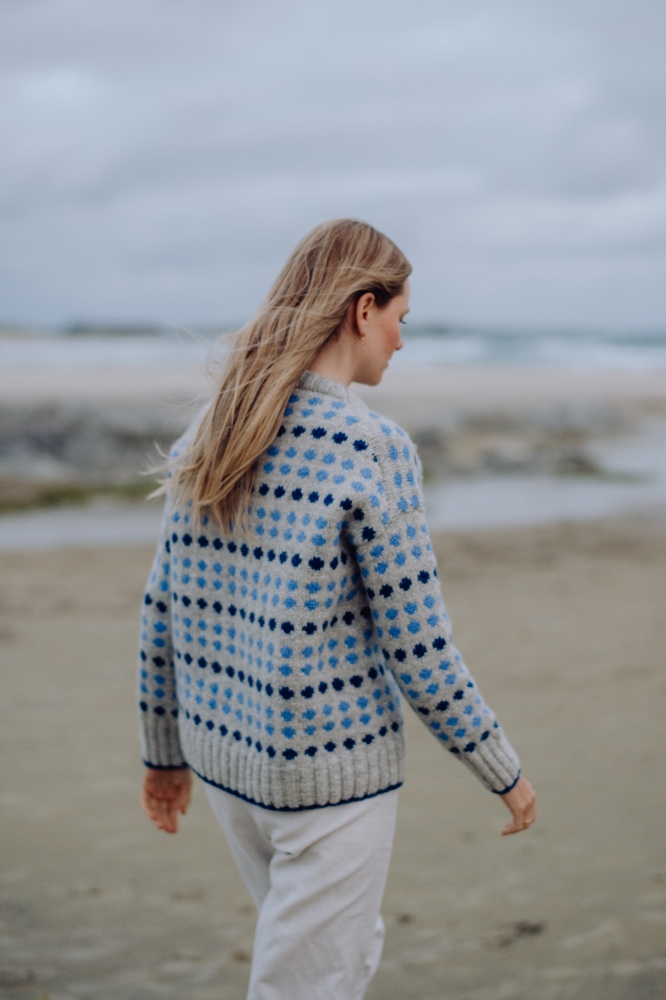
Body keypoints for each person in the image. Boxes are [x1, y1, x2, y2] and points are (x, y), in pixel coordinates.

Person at [138, 218, 536, 1000]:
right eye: (400, 318)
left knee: (334, 952)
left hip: (228, 768)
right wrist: (502, 770)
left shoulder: (216, 429)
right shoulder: (370, 448)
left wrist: (163, 754)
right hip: (328, 778)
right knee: (310, 981)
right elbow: (418, 646)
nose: (401, 340)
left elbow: (163, 606)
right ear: (362, 309)